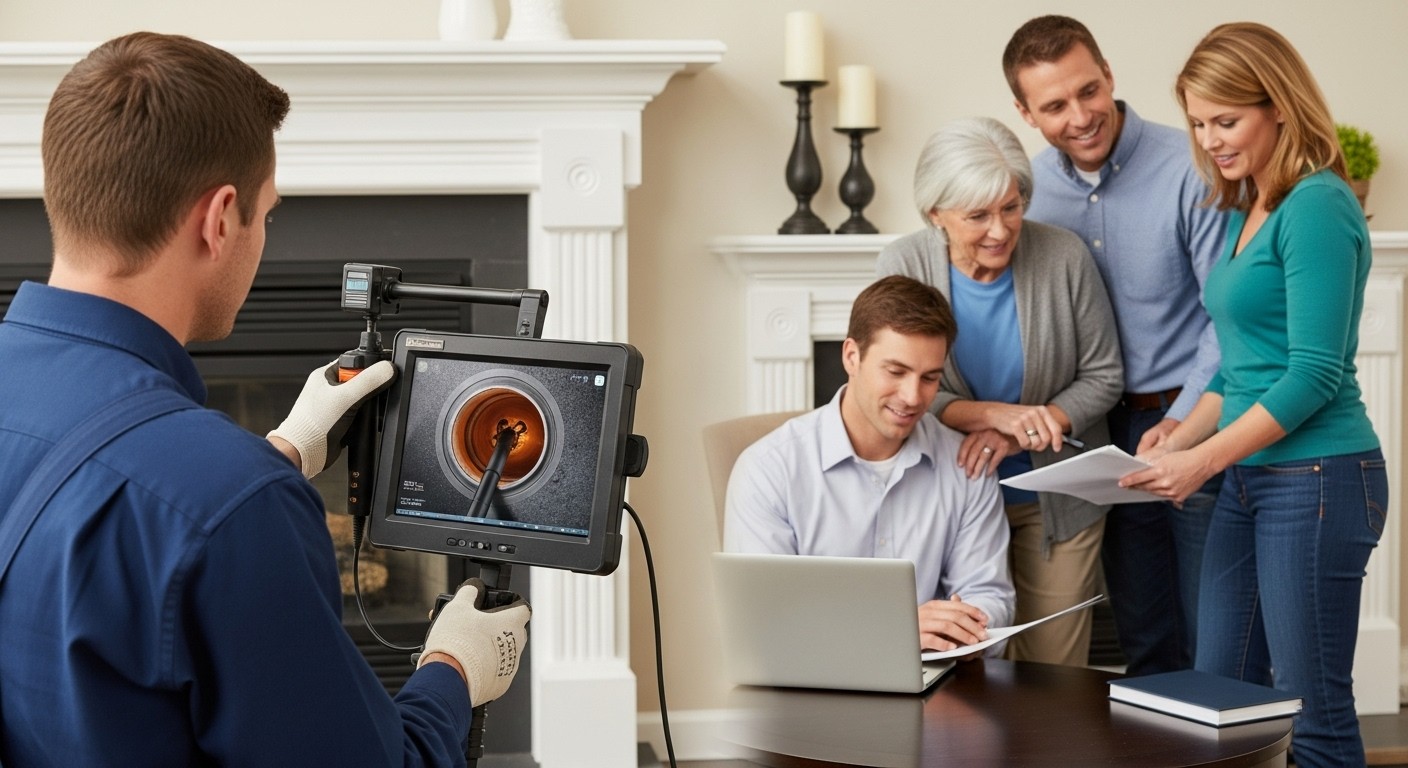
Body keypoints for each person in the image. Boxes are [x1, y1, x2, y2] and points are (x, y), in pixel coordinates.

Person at [0, 32, 529, 766]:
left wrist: (281, 448)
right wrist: (454, 670)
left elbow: (98, 513)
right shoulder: (234, 504)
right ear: (219, 219)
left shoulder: (215, 492)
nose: (262, 238)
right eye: (266, 214)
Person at [1122, 22, 1386, 767]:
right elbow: (1239, 371)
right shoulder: (1248, 206)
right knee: (1222, 705)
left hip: (1320, 478)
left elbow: (1312, 375)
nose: (1209, 140)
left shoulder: (1318, 207)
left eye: (1226, 121)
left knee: (1316, 715)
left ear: (1279, 106)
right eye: (1199, 123)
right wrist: (1179, 435)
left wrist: (1200, 461)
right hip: (1249, 479)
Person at [1001, 15, 1229, 675]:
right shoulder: (1028, 196)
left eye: (1088, 90)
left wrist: (1183, 422)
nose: (1080, 115)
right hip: (1098, 432)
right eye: (1054, 105)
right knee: (1143, 624)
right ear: (1025, 113)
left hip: (1194, 414)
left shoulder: (1188, 165)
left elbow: (1226, 317)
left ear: (1109, 76)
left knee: (1212, 621)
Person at [877, 117, 1122, 667]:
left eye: (1011, 207)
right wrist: (991, 415)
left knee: (1053, 676)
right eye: (977, 215)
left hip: (1055, 502)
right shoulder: (902, 264)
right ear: (935, 213)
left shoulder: (1064, 256)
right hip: (946, 500)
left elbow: (1105, 374)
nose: (1000, 229)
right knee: (961, 670)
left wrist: (1023, 433)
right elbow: (891, 386)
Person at [725, 275, 1015, 654]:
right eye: (895, 372)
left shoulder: (967, 467)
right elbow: (761, 620)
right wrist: (897, 629)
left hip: (937, 683)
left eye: (930, 378)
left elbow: (991, 598)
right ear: (851, 357)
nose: (913, 397)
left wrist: (961, 624)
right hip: (810, 685)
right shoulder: (769, 469)